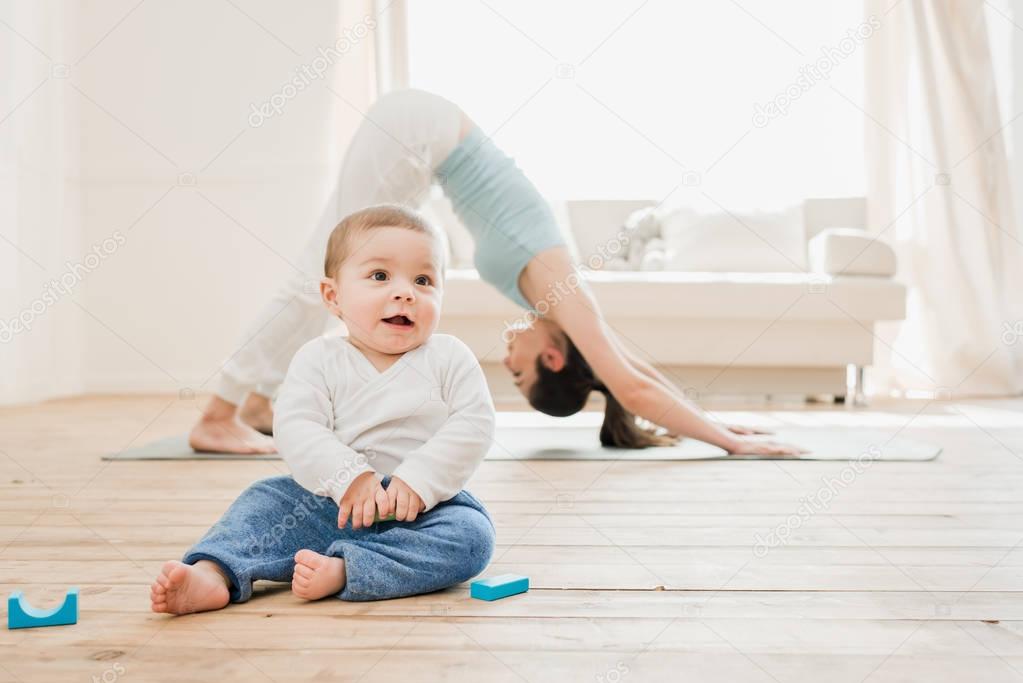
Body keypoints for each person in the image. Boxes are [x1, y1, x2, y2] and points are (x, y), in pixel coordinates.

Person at [188, 88, 803, 457]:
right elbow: (632, 385)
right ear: (554, 359)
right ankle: (218, 415)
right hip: (421, 133)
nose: (506, 357)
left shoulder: (560, 304)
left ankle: (264, 403)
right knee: (323, 270)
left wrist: (716, 419)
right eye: (519, 370)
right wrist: (730, 442)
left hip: (424, 138)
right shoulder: (564, 293)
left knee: (337, 264)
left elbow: (627, 370)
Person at [151, 205, 496, 614]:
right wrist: (348, 477)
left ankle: (349, 569)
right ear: (333, 296)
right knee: (263, 501)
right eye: (380, 276)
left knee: (472, 537)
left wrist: (420, 480)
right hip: (331, 505)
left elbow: (474, 423)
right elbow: (298, 427)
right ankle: (213, 573)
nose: (405, 292)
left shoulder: (449, 356)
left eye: (423, 280)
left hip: (425, 509)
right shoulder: (318, 358)